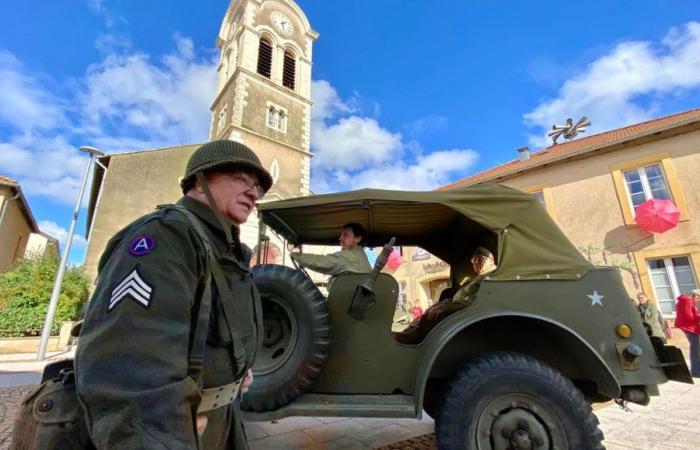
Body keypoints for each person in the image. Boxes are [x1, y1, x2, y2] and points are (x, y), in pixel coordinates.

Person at [75, 140, 272, 449]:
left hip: (222, 418)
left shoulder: (228, 251)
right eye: (240, 178)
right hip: (175, 429)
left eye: (257, 186)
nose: (254, 192)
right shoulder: (166, 236)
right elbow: (130, 369)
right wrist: (163, 436)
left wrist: (236, 371)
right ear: (200, 179)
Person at [396, 246, 497, 344]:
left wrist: (447, 307)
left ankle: (412, 340)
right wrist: (442, 304)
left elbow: (474, 301)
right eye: (474, 260)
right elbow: (461, 298)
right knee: (428, 312)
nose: (476, 262)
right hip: (461, 310)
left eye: (480, 259)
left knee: (434, 317)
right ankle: (408, 333)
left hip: (468, 314)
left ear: (491, 261)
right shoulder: (477, 277)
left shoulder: (490, 277)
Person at [290, 222, 372, 290]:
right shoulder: (361, 256)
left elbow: (321, 262)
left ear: (357, 239)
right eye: (341, 235)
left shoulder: (350, 256)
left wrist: (295, 255)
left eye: (345, 235)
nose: (340, 238)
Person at [674, 292, 700, 378]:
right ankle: (695, 371)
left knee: (695, 348)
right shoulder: (688, 301)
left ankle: (696, 370)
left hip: (687, 327)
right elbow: (689, 316)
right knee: (695, 349)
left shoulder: (683, 300)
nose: (698, 300)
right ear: (695, 295)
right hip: (690, 327)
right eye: (698, 298)